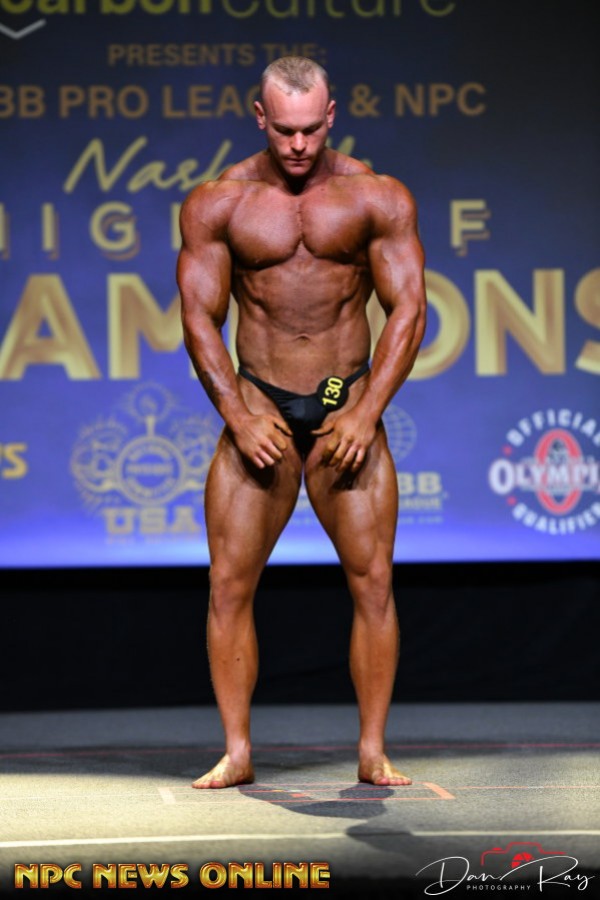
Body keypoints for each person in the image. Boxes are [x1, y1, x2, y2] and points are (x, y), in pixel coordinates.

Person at [177, 56, 426, 789]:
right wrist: (236, 413)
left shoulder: (376, 196)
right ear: (260, 117)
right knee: (228, 584)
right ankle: (237, 750)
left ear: (332, 116)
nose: (297, 144)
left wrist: (367, 411)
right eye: (284, 129)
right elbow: (199, 318)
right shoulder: (219, 203)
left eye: (311, 129)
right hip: (260, 408)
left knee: (373, 583)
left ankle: (373, 749)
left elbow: (409, 309)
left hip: (345, 406)